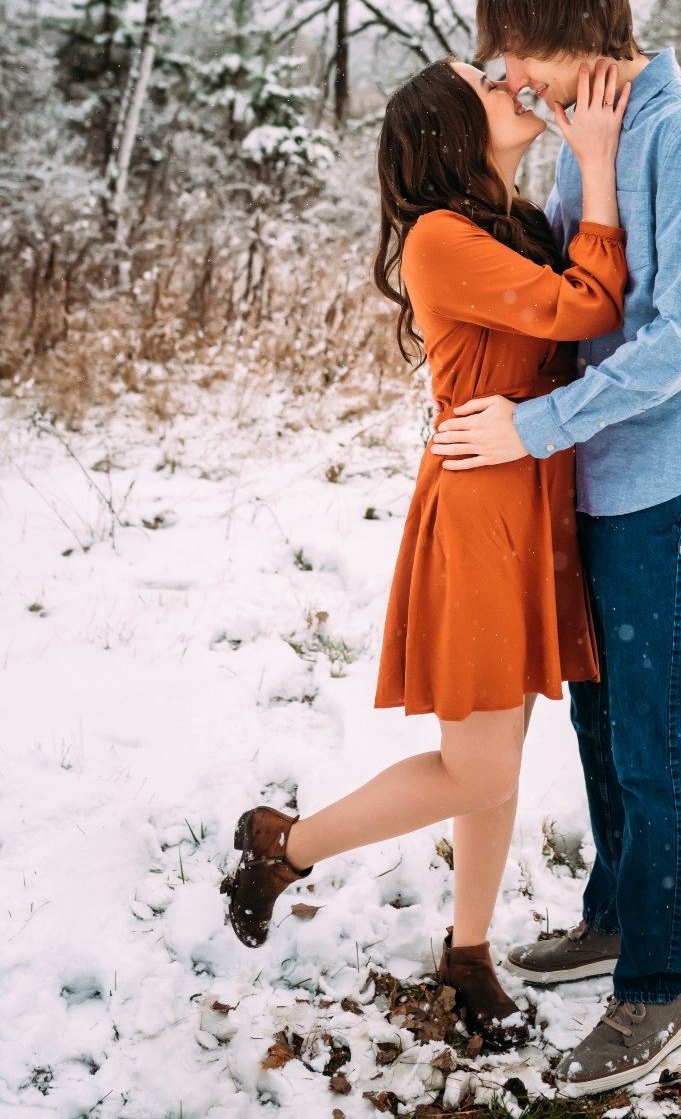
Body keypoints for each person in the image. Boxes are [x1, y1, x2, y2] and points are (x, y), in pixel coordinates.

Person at [220, 53, 631, 1048]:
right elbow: (590, 306)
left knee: (495, 753)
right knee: (478, 767)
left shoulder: (514, 224)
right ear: (451, 128)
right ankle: (284, 844)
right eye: (490, 84)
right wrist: (603, 164)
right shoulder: (441, 239)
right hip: (483, 515)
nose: (516, 86)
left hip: (532, 505)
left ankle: (468, 949)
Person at [429, 0, 681, 1097]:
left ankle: (662, 984)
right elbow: (586, 295)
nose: (514, 81)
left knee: (656, 729)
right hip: (596, 472)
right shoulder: (592, 140)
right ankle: (619, 916)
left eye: (520, 58)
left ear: (571, 38)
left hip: (668, 474)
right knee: (604, 714)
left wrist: (536, 425)